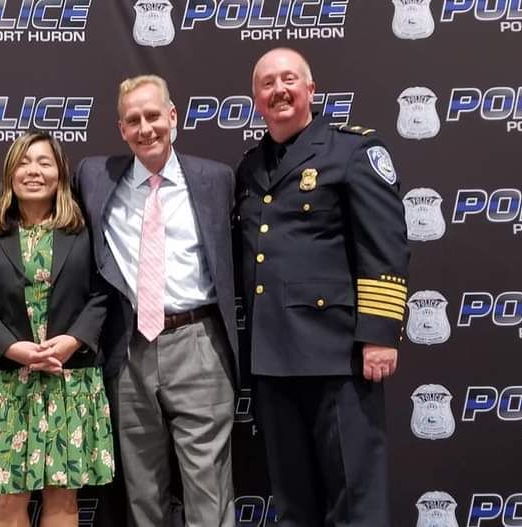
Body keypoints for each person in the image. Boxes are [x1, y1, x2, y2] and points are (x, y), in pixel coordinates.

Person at [234, 47, 410, 526]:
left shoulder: (352, 151)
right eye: (267, 84)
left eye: (289, 79)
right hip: (273, 359)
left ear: (311, 89)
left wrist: (379, 334)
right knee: (294, 503)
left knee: (354, 497)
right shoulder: (250, 168)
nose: (279, 90)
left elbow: (386, 244)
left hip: (339, 356)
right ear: (256, 99)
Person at [74, 75, 239, 527]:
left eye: (153, 116)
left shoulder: (216, 179)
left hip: (199, 342)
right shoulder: (94, 176)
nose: (145, 128)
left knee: (209, 487)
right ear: (121, 129)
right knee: (142, 491)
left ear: (173, 117)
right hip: (129, 349)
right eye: (133, 120)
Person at [0, 132, 115, 527]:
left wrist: (72, 341)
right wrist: (14, 349)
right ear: (9, 173)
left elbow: (103, 292)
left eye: (44, 162)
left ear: (60, 173)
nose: (33, 171)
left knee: (63, 502)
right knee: (7, 504)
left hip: (70, 377)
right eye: (23, 162)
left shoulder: (85, 227)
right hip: (11, 381)